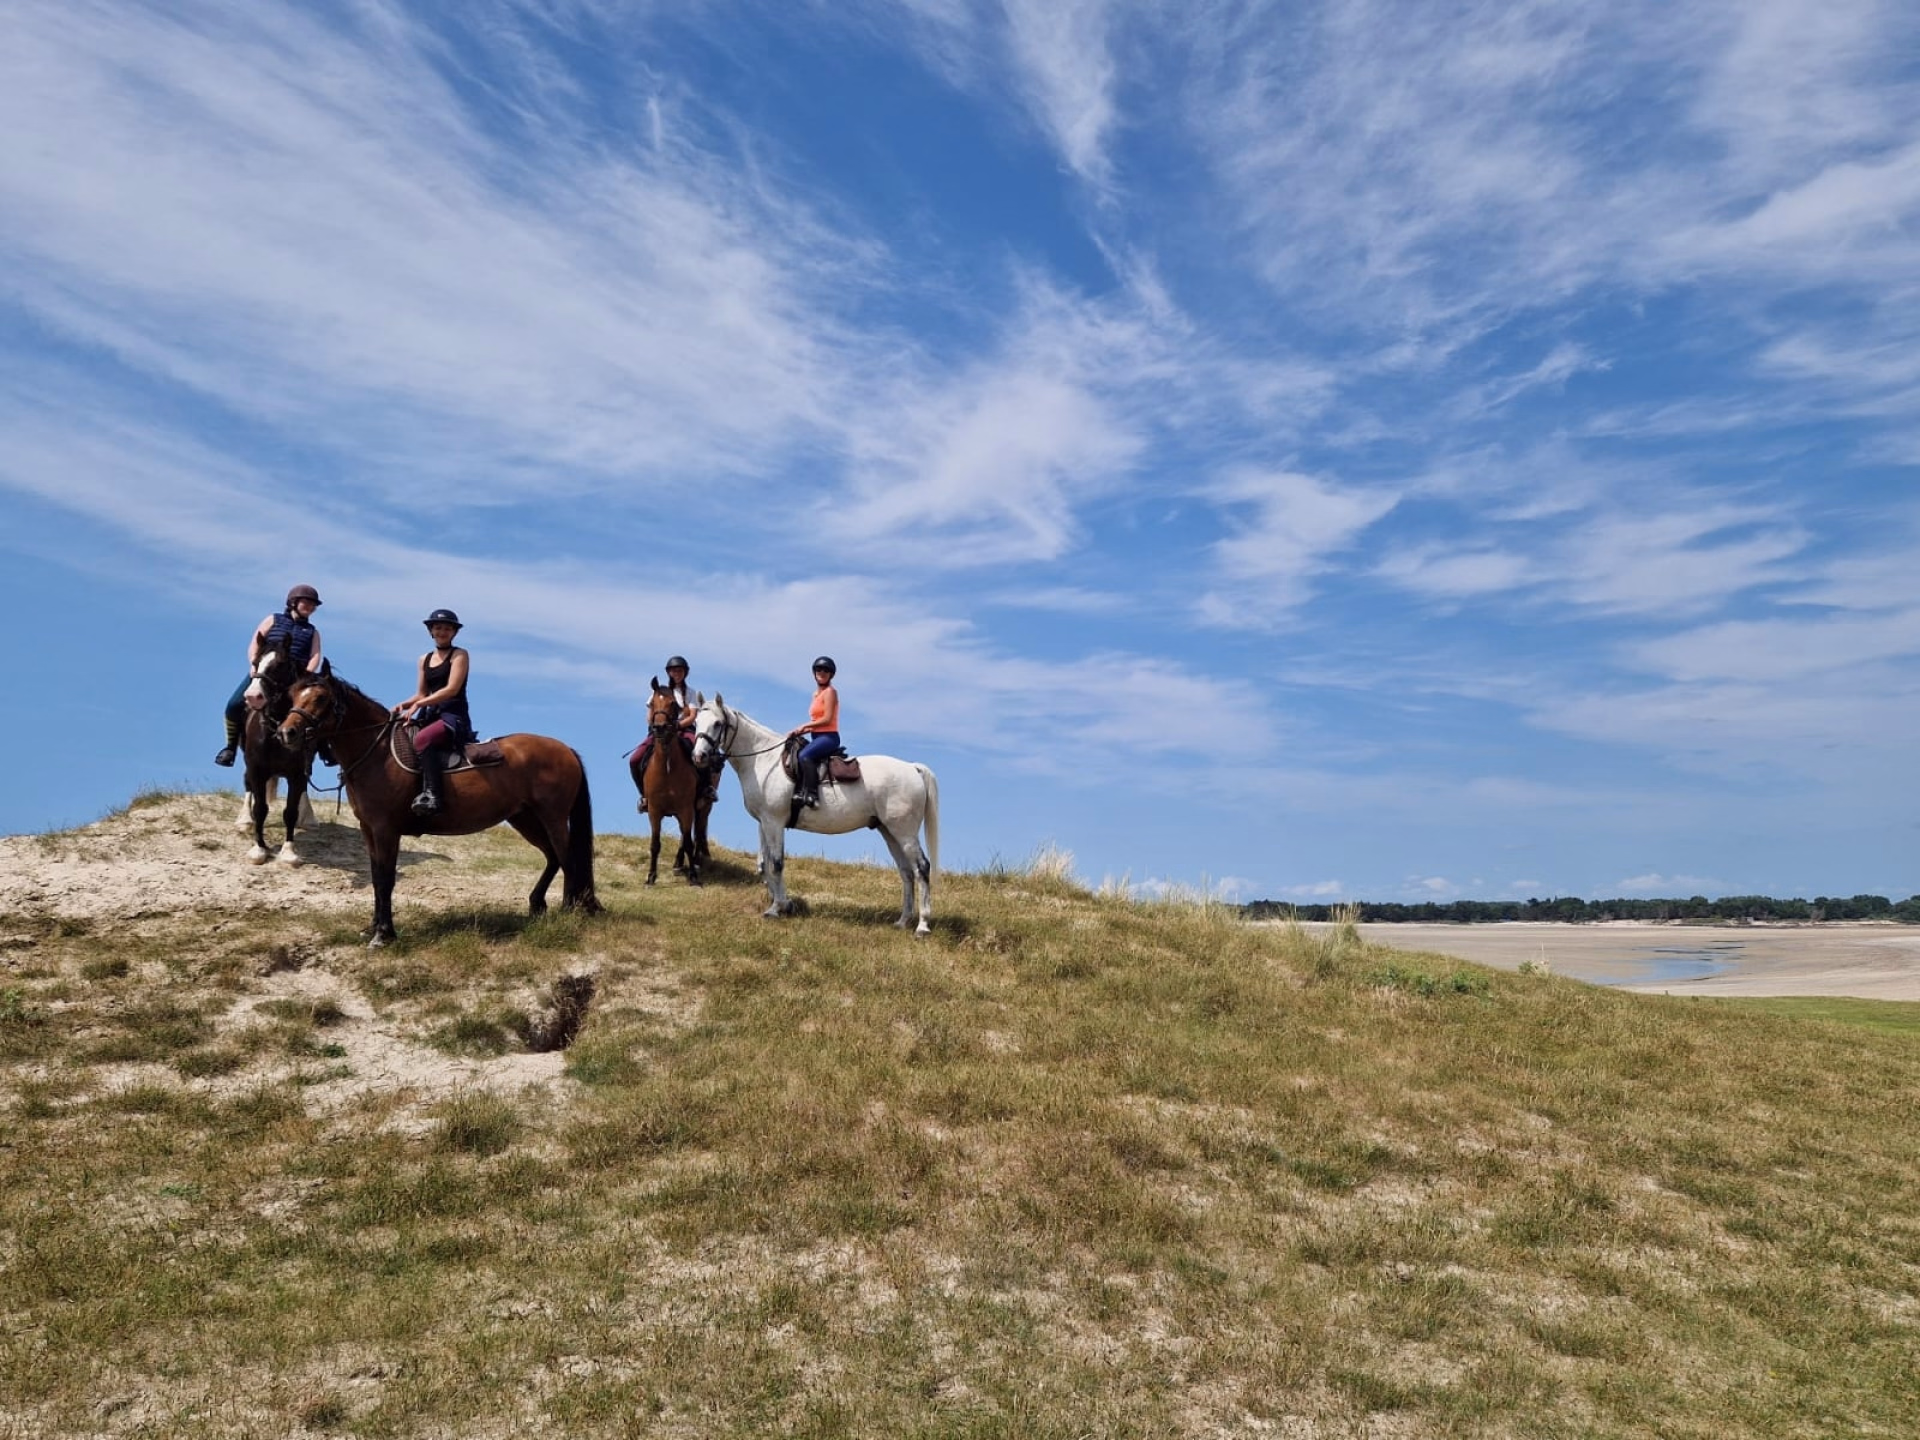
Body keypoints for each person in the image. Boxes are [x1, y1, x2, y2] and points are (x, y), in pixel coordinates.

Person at [215, 584, 325, 766]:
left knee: (319, 709)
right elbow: (254, 644)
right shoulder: (272, 620)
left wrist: (307, 674)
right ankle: (230, 748)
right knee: (233, 705)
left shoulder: (312, 632)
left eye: (313, 604)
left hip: (295, 678)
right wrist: (254, 665)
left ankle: (322, 750)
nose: (310, 607)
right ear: (293, 602)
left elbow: (315, 655)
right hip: (266, 672)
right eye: (307, 602)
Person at [393, 608, 473, 816]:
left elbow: (451, 690)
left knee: (422, 739)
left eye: (447, 628)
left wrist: (420, 705)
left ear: (454, 632)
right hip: (429, 716)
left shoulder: (460, 655)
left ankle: (433, 796)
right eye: (438, 628)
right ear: (431, 631)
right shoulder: (424, 659)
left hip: (452, 716)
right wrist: (403, 705)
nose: (442, 632)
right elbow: (420, 694)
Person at [630, 656, 718, 812]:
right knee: (635, 759)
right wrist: (656, 724)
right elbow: (649, 714)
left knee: (697, 753)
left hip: (684, 731)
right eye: (673, 670)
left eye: (679, 670)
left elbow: (692, 716)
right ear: (668, 672)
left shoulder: (690, 693)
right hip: (660, 732)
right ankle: (644, 795)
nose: (676, 673)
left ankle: (706, 788)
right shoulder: (659, 691)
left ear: (685, 673)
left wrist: (677, 725)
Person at [788, 655, 840, 808]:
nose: (821, 672)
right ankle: (799, 790)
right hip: (817, 737)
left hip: (829, 737)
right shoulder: (815, 695)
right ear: (814, 672)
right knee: (795, 753)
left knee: (805, 756)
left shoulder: (830, 692)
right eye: (818, 669)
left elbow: (827, 719)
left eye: (826, 670)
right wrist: (798, 732)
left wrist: (803, 728)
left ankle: (812, 794)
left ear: (831, 674)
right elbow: (816, 720)